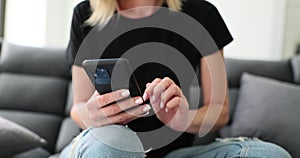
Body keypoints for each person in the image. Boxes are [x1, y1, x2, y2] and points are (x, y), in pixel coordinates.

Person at [60, 0, 292, 157]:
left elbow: (219, 111)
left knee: (270, 154)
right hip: (103, 146)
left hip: (174, 153)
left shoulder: (201, 14)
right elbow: (77, 108)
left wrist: (183, 119)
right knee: (118, 143)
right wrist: (93, 115)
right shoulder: (85, 15)